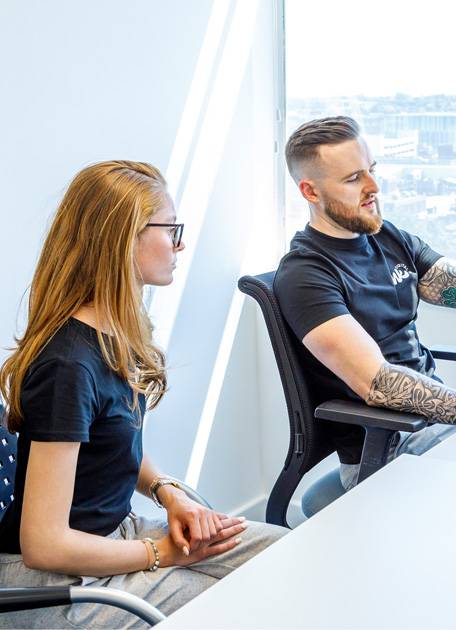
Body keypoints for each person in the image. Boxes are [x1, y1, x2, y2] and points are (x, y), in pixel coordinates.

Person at [0, 160, 286, 629]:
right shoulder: (67, 366)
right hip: (54, 584)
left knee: (283, 557)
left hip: (110, 539)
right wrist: (161, 553)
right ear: (123, 238)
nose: (180, 243)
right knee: (243, 601)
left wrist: (168, 492)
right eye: (171, 229)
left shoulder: (111, 332)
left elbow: (113, 441)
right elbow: (43, 543)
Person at [274, 116, 456, 492]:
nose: (374, 187)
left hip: (430, 428)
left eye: (371, 170)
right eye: (353, 178)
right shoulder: (306, 274)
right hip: (387, 449)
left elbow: (448, 287)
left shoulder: (388, 236)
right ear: (310, 191)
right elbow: (377, 382)